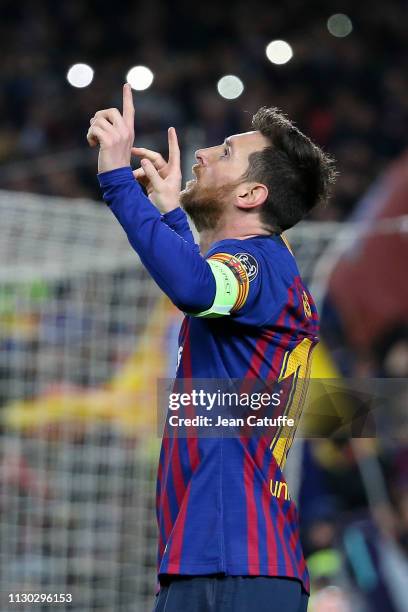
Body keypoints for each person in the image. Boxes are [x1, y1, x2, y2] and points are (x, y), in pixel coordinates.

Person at [87, 83, 336, 612]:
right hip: (228, 562)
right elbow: (209, 286)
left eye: (224, 153)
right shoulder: (265, 272)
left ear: (251, 195)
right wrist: (175, 215)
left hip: (230, 563)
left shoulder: (260, 264)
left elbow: (196, 287)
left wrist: (116, 180)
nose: (202, 153)